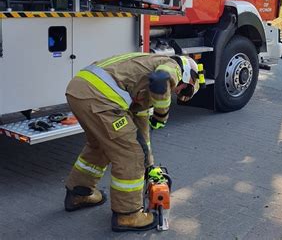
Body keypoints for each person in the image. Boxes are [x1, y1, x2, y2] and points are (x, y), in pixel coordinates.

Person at [63, 52, 200, 231]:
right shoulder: (171, 66)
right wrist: (161, 116)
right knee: (130, 155)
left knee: (100, 147)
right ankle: (128, 215)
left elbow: (141, 131)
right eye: (182, 89)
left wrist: (149, 164)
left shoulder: (144, 76)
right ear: (187, 74)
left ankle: (79, 193)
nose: (175, 92)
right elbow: (160, 79)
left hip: (78, 90)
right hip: (101, 99)